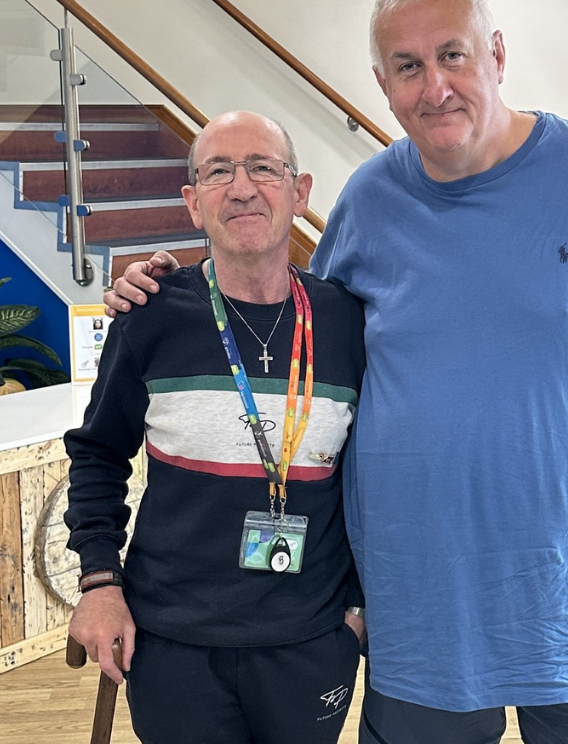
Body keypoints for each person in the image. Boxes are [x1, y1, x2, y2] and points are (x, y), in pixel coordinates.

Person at [104, 0, 568, 744]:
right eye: (408, 67)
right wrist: (166, 285)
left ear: (496, 54)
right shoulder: (367, 200)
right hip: (421, 612)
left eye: (453, 55)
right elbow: (293, 340)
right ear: (383, 86)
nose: (435, 87)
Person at [67, 111, 366, 744]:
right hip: (173, 640)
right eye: (218, 171)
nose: (241, 186)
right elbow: (98, 455)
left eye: (263, 167)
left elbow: (378, 472)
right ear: (193, 202)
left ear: (300, 191)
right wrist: (99, 582)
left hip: (310, 638)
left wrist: (358, 615)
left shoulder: (346, 321)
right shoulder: (148, 314)